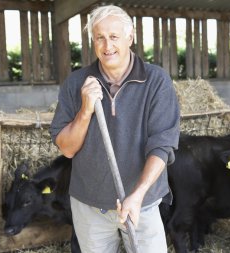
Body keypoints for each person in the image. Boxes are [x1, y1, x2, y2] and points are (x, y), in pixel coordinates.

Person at [49, 5, 180, 253]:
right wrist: (85, 110)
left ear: (130, 37)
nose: (107, 45)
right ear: (93, 41)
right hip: (90, 205)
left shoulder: (156, 81)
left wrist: (138, 194)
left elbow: (162, 144)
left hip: (143, 203)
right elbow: (66, 149)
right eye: (100, 37)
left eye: (114, 37)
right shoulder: (76, 83)